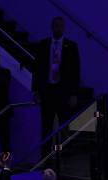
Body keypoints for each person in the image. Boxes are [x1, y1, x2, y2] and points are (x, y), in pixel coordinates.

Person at [32, 16, 80, 158]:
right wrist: (35, 90)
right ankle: (44, 157)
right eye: (55, 26)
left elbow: (76, 71)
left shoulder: (71, 46)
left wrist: (74, 93)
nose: (58, 28)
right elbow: (37, 69)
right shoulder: (43, 45)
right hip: (47, 91)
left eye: (60, 26)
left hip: (63, 92)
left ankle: (64, 157)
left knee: (64, 126)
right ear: (51, 27)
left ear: (63, 28)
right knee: (46, 127)